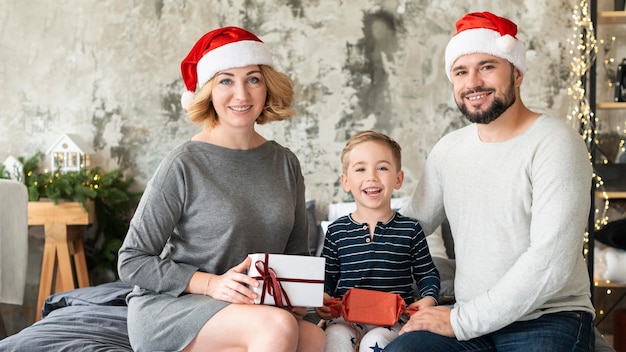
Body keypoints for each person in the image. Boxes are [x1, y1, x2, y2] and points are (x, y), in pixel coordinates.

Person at [384, 12, 596, 352]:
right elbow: (410, 226)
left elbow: (549, 264)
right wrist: (345, 249)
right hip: (470, 320)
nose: (473, 83)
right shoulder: (449, 151)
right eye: (460, 72)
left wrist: (458, 321)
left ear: (517, 72)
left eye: (487, 67)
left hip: (547, 319)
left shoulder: (555, 143)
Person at [117, 26, 325, 352]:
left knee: (314, 337)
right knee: (278, 326)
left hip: (249, 309)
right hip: (177, 307)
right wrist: (212, 284)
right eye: (226, 80)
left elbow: (296, 255)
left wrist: (300, 298)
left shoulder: (285, 163)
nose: (241, 95)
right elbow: (131, 260)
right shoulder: (184, 163)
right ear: (209, 91)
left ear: (267, 87)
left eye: (253, 79)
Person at [315, 130, 440, 352]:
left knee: (376, 342)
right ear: (346, 181)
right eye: (361, 169)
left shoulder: (410, 229)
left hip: (392, 320)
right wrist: (322, 298)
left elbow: (427, 273)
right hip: (345, 317)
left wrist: (429, 298)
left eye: (382, 168)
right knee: (334, 336)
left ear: (398, 179)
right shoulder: (336, 231)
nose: (371, 177)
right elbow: (327, 276)